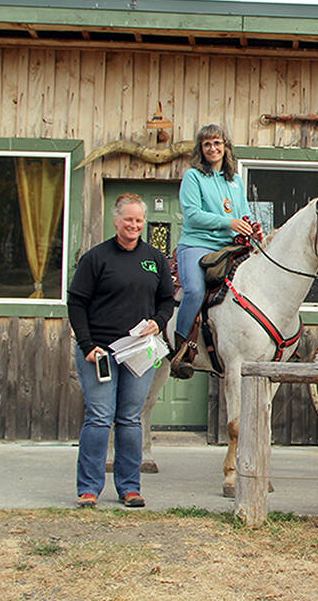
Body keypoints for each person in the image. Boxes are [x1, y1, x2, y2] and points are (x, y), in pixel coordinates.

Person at [68, 193, 176, 508]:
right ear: (116, 221)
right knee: (100, 417)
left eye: (138, 220)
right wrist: (87, 345)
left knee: (130, 418)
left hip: (138, 352)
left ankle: (130, 487)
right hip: (98, 352)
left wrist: (158, 321)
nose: (133, 225)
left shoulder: (154, 259)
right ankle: (89, 489)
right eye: (128, 219)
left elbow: (166, 300)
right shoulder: (96, 258)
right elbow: (76, 302)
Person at [169, 124, 264, 378]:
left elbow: (242, 212)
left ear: (226, 147)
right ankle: (181, 348)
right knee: (195, 290)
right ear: (201, 149)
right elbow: (192, 215)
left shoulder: (234, 181)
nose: (213, 148)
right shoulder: (193, 177)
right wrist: (228, 222)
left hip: (229, 246)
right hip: (197, 244)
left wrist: (252, 228)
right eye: (207, 144)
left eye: (217, 143)